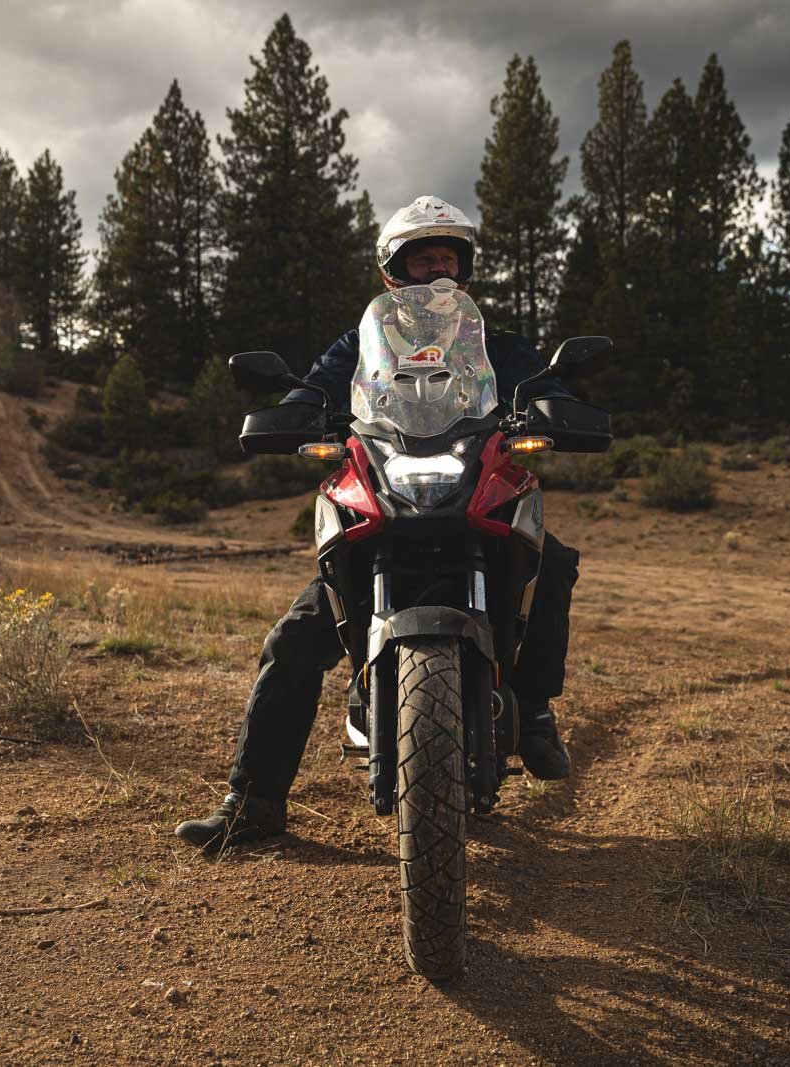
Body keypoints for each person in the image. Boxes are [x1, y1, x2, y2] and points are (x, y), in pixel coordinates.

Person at [176, 196, 581, 849]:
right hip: (387, 482)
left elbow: (544, 389)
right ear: (395, 272)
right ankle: (253, 802)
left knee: (549, 560)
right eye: (424, 262)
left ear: (466, 270)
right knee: (298, 637)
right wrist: (295, 415)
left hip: (473, 478)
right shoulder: (357, 347)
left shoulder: (495, 344)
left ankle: (532, 707)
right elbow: (312, 392)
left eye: (448, 261)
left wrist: (556, 408)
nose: (437, 274)